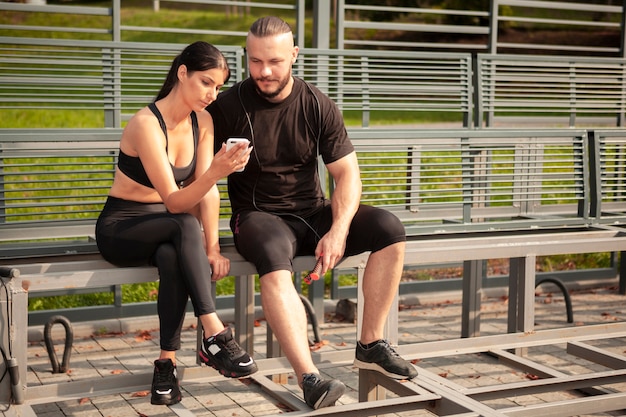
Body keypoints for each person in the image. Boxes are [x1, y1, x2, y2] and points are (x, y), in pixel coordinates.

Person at [207, 16, 418, 410]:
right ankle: (310, 377)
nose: (264, 71)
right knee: (272, 254)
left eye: (274, 61)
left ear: (294, 55)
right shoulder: (228, 106)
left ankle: (370, 344)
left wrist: (339, 230)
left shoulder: (317, 103)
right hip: (258, 217)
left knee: (389, 228)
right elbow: (196, 168)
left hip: (313, 213)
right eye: (254, 61)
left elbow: (346, 173)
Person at [95, 41, 257, 407]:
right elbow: (175, 199)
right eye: (205, 83)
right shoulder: (145, 124)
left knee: (173, 256)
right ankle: (213, 333)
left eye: (218, 87)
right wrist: (217, 171)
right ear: (182, 73)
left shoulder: (203, 120)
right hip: (122, 227)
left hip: (166, 227)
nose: (212, 94)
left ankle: (165, 368)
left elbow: (207, 194)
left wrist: (213, 249)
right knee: (184, 224)